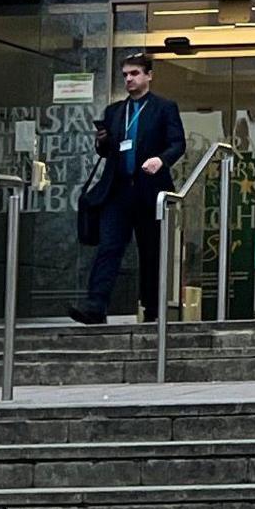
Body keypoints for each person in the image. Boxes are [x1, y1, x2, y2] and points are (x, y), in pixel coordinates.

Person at [69, 53, 187, 324]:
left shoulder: (163, 108)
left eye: (134, 74)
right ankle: (96, 305)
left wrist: (161, 160)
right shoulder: (115, 111)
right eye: (125, 75)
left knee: (151, 250)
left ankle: (154, 308)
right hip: (118, 190)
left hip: (149, 190)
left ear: (148, 75)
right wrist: (102, 141)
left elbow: (177, 143)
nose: (129, 79)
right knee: (109, 246)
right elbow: (108, 151)